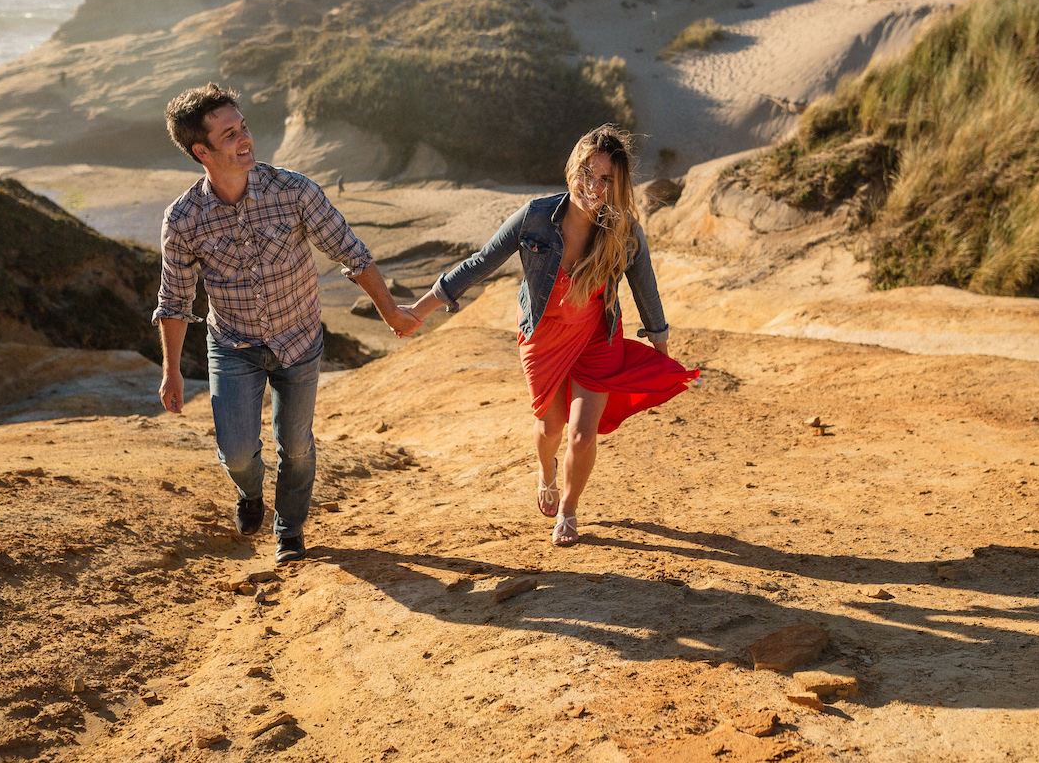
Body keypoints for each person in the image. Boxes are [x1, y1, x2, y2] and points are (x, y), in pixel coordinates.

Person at [154, 83, 418, 564]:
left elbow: (350, 253)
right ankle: (250, 493)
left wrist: (391, 312)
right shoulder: (184, 218)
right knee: (236, 452)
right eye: (230, 134)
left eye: (244, 126)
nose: (245, 138)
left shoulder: (294, 191)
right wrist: (171, 371)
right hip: (232, 346)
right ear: (201, 151)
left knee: (295, 446)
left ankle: (289, 529)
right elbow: (174, 299)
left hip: (299, 341)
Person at [401, 125, 697, 546]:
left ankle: (570, 511)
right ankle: (546, 472)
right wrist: (418, 310)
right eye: (586, 173)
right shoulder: (535, 217)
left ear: (618, 185)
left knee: (582, 432)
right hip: (545, 336)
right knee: (550, 428)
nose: (592, 186)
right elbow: (480, 263)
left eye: (605, 179)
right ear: (571, 170)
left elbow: (644, 286)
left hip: (597, 337)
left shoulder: (625, 230)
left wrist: (662, 348)